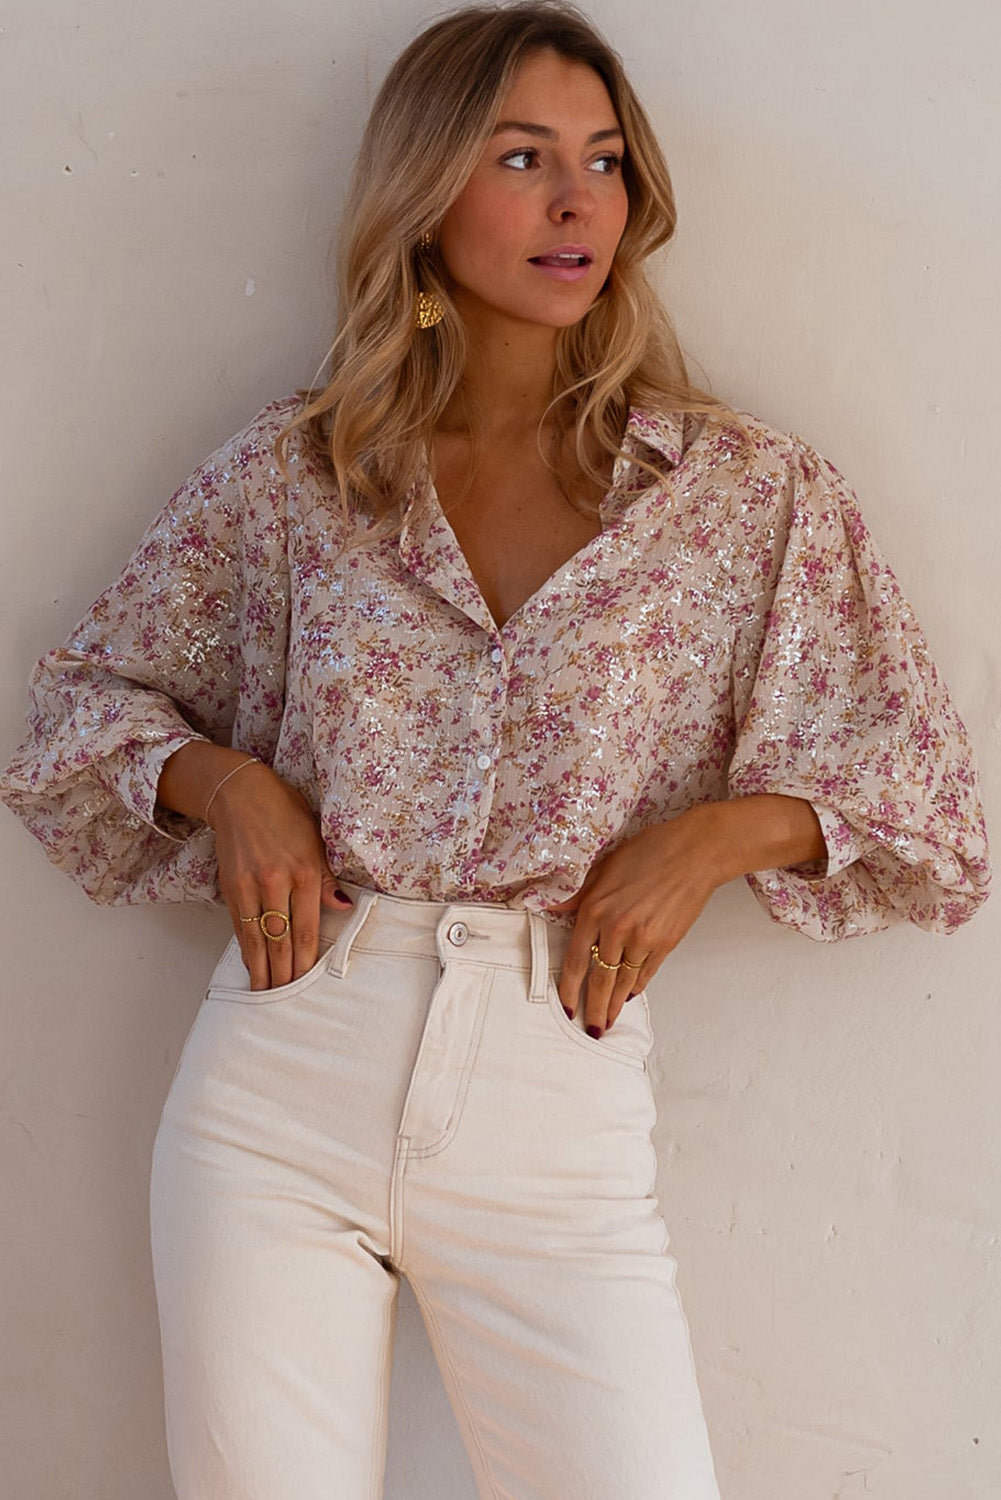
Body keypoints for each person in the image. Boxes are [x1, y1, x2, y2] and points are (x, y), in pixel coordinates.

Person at [0, 2, 991, 1497]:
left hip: (554, 1087)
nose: (576, 199)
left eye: (603, 159)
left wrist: (718, 836)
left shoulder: (739, 494)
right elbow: (76, 716)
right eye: (520, 157)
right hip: (284, 1069)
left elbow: (931, 811)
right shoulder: (302, 472)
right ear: (423, 194)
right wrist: (228, 785)